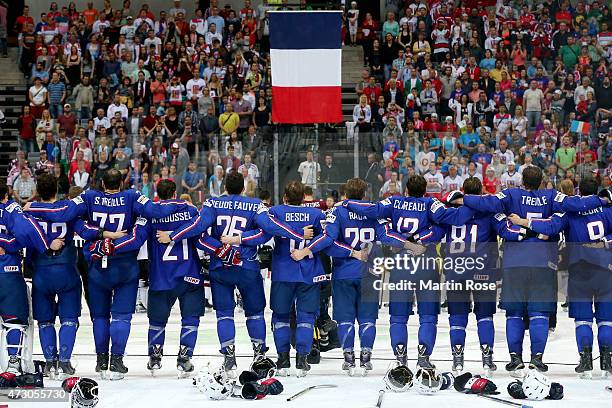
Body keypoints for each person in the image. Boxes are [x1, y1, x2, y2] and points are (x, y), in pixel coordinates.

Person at [25, 169, 190, 380]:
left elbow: (64, 214)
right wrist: (183, 204)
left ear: (102, 184)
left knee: (100, 317)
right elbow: (154, 214)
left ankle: (101, 361)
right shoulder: (132, 196)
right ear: (121, 184)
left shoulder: (89, 196)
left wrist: (33, 206)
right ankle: (117, 362)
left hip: (97, 268)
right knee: (121, 316)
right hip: (125, 267)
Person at [452, 166, 609, 374]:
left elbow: (487, 202)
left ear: (522, 181)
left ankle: (515, 359)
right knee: (539, 314)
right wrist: (602, 199)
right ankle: (537, 359)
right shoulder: (552, 196)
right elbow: (572, 205)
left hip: (514, 262)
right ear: (542, 180)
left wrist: (464, 199)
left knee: (514, 314)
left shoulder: (510, 194)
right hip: (544, 262)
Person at [156, 171, 314, 377]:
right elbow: (267, 230)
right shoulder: (255, 205)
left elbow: (199, 230)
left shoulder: (212, 204)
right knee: (255, 312)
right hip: (246, 266)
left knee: (224, 314)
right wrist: (296, 233)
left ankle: (229, 359)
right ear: (243, 188)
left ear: (224, 187)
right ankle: (259, 356)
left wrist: (176, 236)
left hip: (220, 267)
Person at [343, 175, 475, 369]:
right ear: (424, 191)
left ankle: (400, 358)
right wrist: (474, 202)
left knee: (398, 317)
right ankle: (423, 357)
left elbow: (373, 209)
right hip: (426, 264)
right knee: (428, 316)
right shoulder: (431, 203)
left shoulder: (395, 201)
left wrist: (347, 203)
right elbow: (449, 221)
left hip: (401, 263)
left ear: (405, 191)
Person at [293, 178, 422, 375]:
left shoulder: (337, 211)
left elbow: (328, 240)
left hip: (344, 273)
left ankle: (348, 358)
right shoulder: (374, 213)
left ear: (345, 194)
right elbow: (387, 236)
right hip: (370, 272)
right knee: (367, 318)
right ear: (364, 195)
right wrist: (411, 245)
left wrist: (306, 251)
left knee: (345, 318)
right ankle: (366, 357)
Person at [508, 178, 612, 379]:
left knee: (583, 320)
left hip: (580, 269)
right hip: (606, 270)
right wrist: (604, 243)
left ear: (579, 192)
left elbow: (550, 227)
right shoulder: (608, 210)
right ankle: (608, 362)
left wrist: (523, 222)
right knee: (606, 320)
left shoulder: (569, 212)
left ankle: (586, 362)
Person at [0, 179, 63, 374]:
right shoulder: (10, 208)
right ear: (7, 194)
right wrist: (46, 243)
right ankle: (13, 364)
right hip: (6, 272)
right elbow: (28, 229)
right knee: (15, 320)